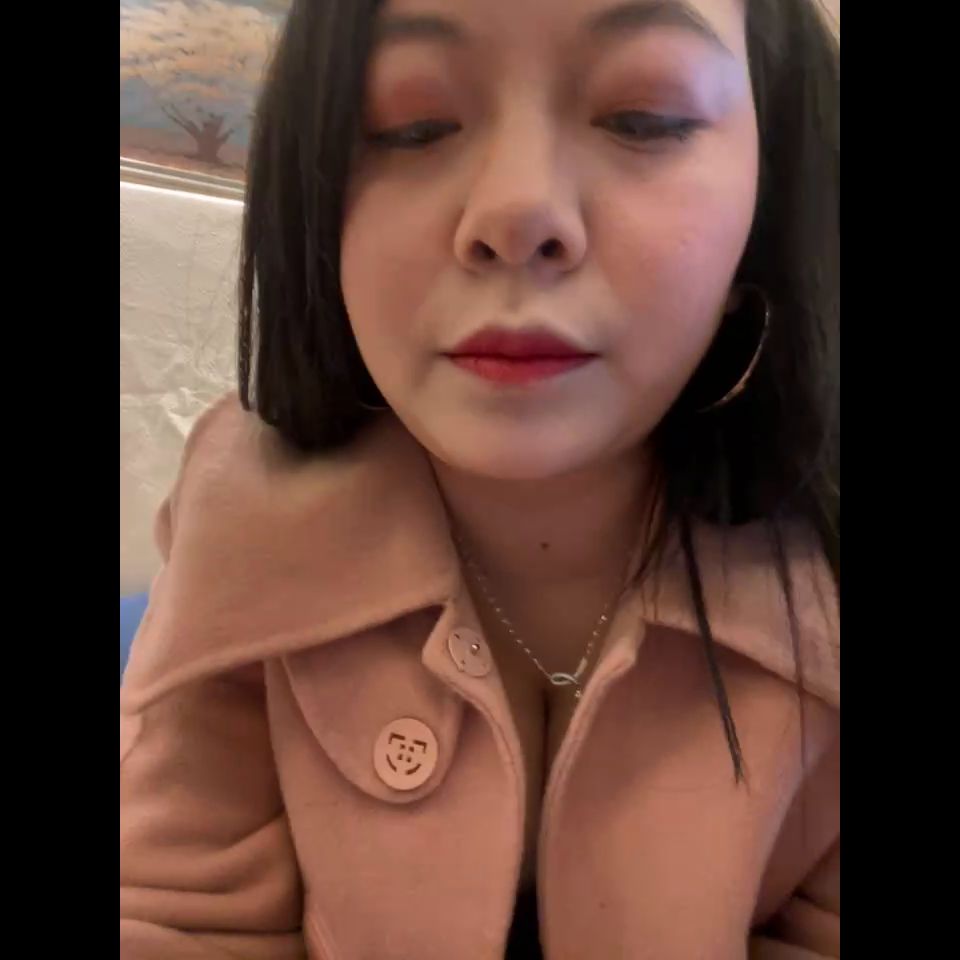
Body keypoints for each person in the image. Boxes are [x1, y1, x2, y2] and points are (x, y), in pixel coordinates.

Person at [119, 0, 840, 957]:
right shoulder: (243, 516)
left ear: (773, 182)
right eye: (410, 126)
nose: (516, 213)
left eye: (644, 117)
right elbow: (173, 919)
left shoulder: (824, 562)